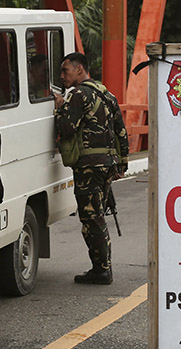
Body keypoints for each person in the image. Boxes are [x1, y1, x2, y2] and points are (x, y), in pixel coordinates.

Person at [54, 52, 129, 285]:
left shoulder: (78, 95)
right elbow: (121, 131)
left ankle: (102, 269)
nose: (62, 76)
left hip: (88, 166)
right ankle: (101, 266)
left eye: (66, 70)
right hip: (106, 164)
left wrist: (59, 108)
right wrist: (122, 163)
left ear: (80, 69)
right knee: (96, 215)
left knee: (92, 218)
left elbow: (66, 128)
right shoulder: (107, 94)